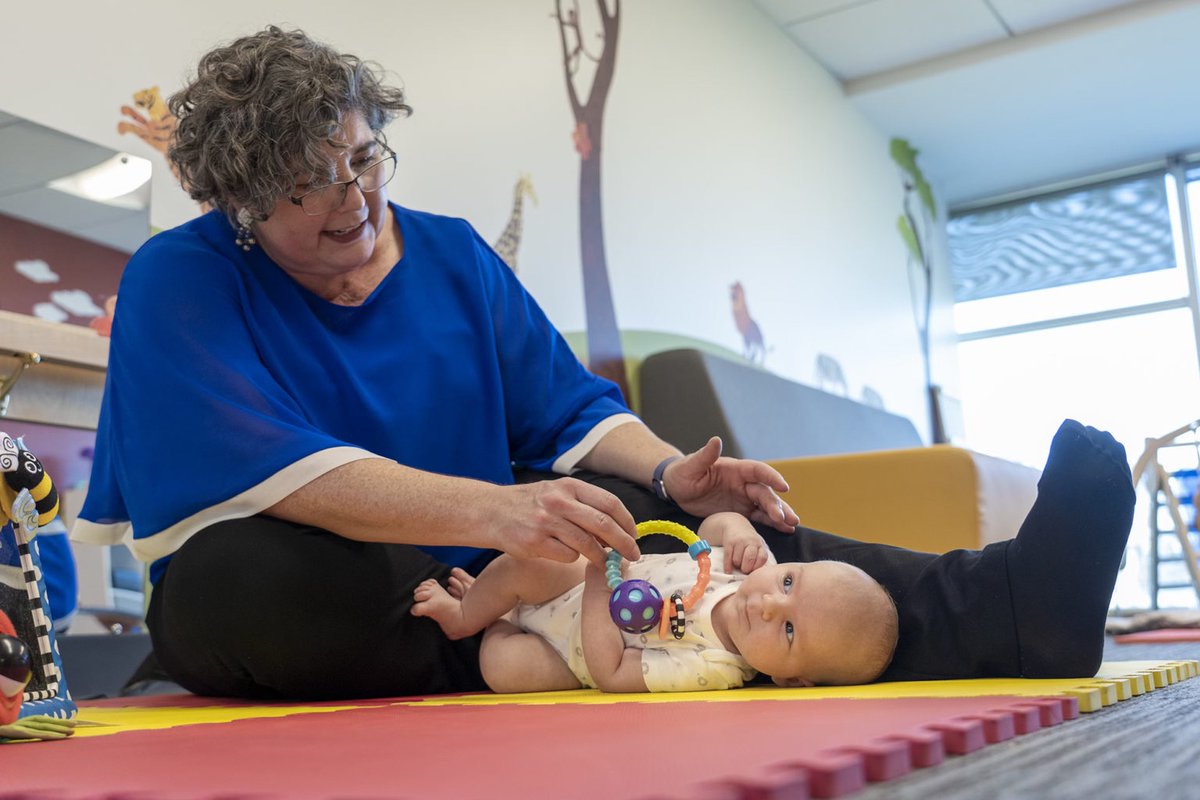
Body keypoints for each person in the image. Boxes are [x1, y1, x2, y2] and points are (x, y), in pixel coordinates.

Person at [70, 26, 1135, 701]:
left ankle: (1003, 604)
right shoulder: (182, 276)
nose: (356, 201)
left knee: (676, 508)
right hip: (359, 593)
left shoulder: (446, 253)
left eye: (364, 158)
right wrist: (497, 517)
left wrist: (676, 472)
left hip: (513, 573)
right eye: (312, 186)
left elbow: (568, 407)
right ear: (245, 208)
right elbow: (260, 468)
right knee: (239, 580)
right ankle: (498, 656)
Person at [412, 512, 898, 692]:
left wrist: (602, 590)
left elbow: (613, 672)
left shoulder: (715, 668)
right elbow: (709, 529)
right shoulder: (748, 567)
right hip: (571, 587)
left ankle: (495, 618)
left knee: (501, 667)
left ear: (790, 678)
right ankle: (464, 615)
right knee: (524, 564)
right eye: (790, 583)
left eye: (789, 631)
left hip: (569, 656)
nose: (770, 605)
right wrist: (739, 528)